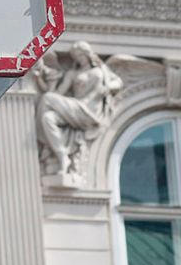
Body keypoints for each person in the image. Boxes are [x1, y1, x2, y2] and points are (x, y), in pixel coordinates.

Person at [34, 42, 123, 184]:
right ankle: (62, 155)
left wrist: (108, 87)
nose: (79, 58)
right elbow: (58, 93)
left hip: (89, 110)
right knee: (48, 118)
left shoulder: (101, 70)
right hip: (76, 107)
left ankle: (44, 147)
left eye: (81, 54)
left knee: (47, 99)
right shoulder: (72, 74)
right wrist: (42, 79)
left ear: (88, 54)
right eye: (76, 56)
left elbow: (118, 82)